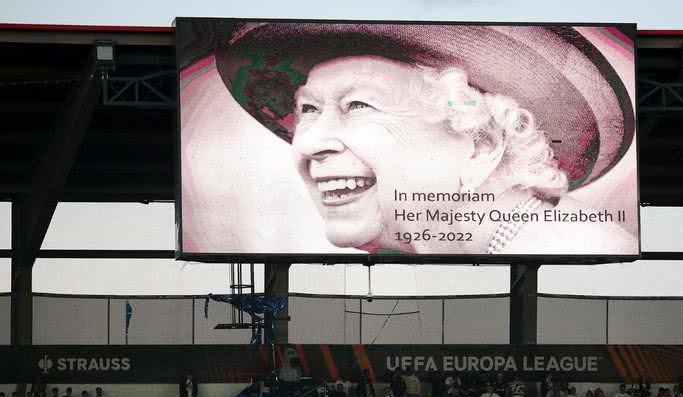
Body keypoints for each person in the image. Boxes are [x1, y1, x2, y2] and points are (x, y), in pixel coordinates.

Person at [209, 22, 637, 256]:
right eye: (308, 110)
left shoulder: (585, 253)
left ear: (480, 148)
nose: (306, 144)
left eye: (359, 105)